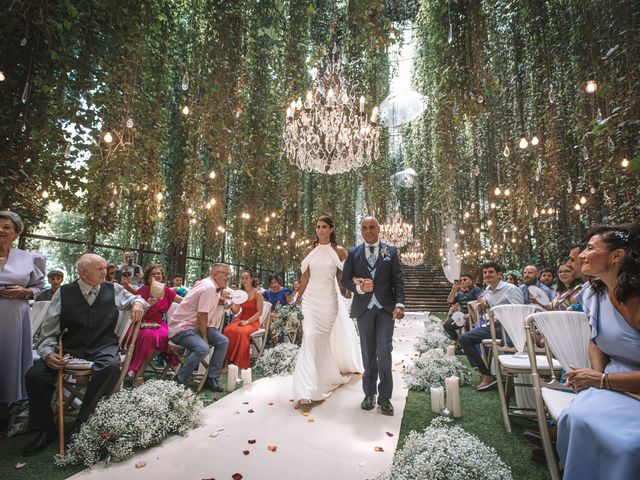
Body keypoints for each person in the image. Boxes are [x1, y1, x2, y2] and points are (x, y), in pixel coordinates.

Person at [23, 253, 147, 456]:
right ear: (83, 272)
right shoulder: (64, 293)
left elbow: (136, 297)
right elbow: (48, 332)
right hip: (71, 348)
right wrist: (46, 354)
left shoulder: (112, 288)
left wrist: (138, 303)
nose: (105, 272)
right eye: (99, 269)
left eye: (104, 268)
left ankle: (82, 422)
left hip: (104, 346)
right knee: (35, 375)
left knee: (109, 367)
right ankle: (46, 428)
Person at [557, 223, 640, 479]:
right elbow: (595, 339)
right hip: (613, 377)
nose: (581, 254)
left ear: (617, 255)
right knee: (574, 416)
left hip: (628, 383)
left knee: (625, 445)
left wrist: (603, 381)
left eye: (590, 248)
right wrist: (595, 376)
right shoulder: (594, 292)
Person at [293, 215, 363, 412]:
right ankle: (304, 392)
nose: (320, 230)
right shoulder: (310, 251)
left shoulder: (339, 251)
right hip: (310, 302)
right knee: (310, 337)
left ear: (331, 229)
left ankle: (326, 378)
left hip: (329, 303)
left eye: (324, 227)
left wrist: (358, 283)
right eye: (317, 227)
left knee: (320, 342)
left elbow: (349, 274)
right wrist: (296, 302)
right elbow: (305, 277)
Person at [342, 216, 404, 416]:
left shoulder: (391, 252)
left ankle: (385, 397)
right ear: (361, 230)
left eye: (372, 227)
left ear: (378, 229)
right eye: (365, 228)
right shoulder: (353, 253)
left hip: (386, 309)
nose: (368, 231)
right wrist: (359, 288)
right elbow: (345, 280)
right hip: (364, 309)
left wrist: (400, 304)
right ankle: (369, 394)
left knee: (384, 350)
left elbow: (398, 281)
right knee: (368, 352)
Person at [0, 211, 45, 407]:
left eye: (6, 227)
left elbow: (40, 287)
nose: (1, 230)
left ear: (16, 232)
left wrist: (25, 291)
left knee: (8, 358)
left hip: (14, 315)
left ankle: (6, 407)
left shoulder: (29, 258)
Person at [458, 261, 525, 391]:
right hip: (492, 326)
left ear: (499, 275)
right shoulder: (488, 289)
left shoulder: (511, 289)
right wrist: (484, 301)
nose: (487, 275)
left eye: (490, 272)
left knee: (470, 338)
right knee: (464, 338)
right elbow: (485, 300)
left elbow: (519, 313)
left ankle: (501, 372)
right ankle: (486, 375)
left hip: (509, 328)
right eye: (485, 272)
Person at [168, 263, 231, 392]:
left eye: (228, 274)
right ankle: (178, 380)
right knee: (202, 347)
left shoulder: (211, 285)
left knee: (223, 341)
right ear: (214, 274)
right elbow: (202, 315)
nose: (228, 277)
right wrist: (204, 337)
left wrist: (225, 301)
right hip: (183, 327)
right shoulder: (209, 287)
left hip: (196, 326)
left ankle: (212, 378)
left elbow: (210, 301)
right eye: (225, 274)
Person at [126, 264, 182, 386]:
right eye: (153, 273)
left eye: (159, 273)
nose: (157, 275)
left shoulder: (166, 291)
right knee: (150, 337)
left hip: (159, 324)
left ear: (162, 276)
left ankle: (140, 370)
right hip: (142, 323)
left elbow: (183, 301)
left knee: (166, 335)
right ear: (148, 277)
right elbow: (136, 312)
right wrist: (147, 304)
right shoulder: (143, 290)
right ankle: (139, 372)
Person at [224, 270, 264, 369]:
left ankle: (239, 363)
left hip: (253, 321)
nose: (244, 280)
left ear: (251, 279)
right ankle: (228, 362)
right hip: (241, 318)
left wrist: (247, 322)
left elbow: (259, 312)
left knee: (242, 332)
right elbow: (236, 310)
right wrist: (229, 303)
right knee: (227, 330)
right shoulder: (240, 293)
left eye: (246, 278)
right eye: (242, 278)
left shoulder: (257, 293)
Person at [442, 274, 483, 342]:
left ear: (471, 281)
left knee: (467, 324)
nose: (462, 281)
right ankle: (458, 342)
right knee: (447, 326)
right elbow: (450, 301)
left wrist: (469, 315)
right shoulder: (459, 293)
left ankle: (468, 343)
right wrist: (453, 290)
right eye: (461, 280)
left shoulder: (476, 290)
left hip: (474, 315)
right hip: (461, 316)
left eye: (465, 279)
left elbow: (480, 303)